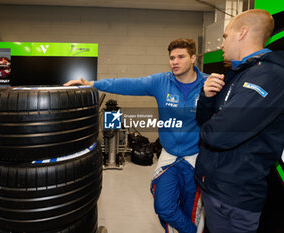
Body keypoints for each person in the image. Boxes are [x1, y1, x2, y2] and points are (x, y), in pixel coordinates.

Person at [65, 38, 207, 233]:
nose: (175, 61)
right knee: (164, 207)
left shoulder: (208, 84)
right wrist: (91, 83)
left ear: (192, 58)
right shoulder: (161, 82)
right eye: (172, 57)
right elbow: (127, 84)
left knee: (192, 211)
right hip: (170, 156)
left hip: (195, 159)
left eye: (181, 57)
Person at [195, 9, 284, 233]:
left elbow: (218, 135)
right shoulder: (241, 73)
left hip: (234, 198)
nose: (221, 44)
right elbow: (204, 121)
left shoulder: (270, 77)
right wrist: (207, 99)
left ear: (243, 32)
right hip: (216, 187)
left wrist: (212, 124)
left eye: (225, 36)